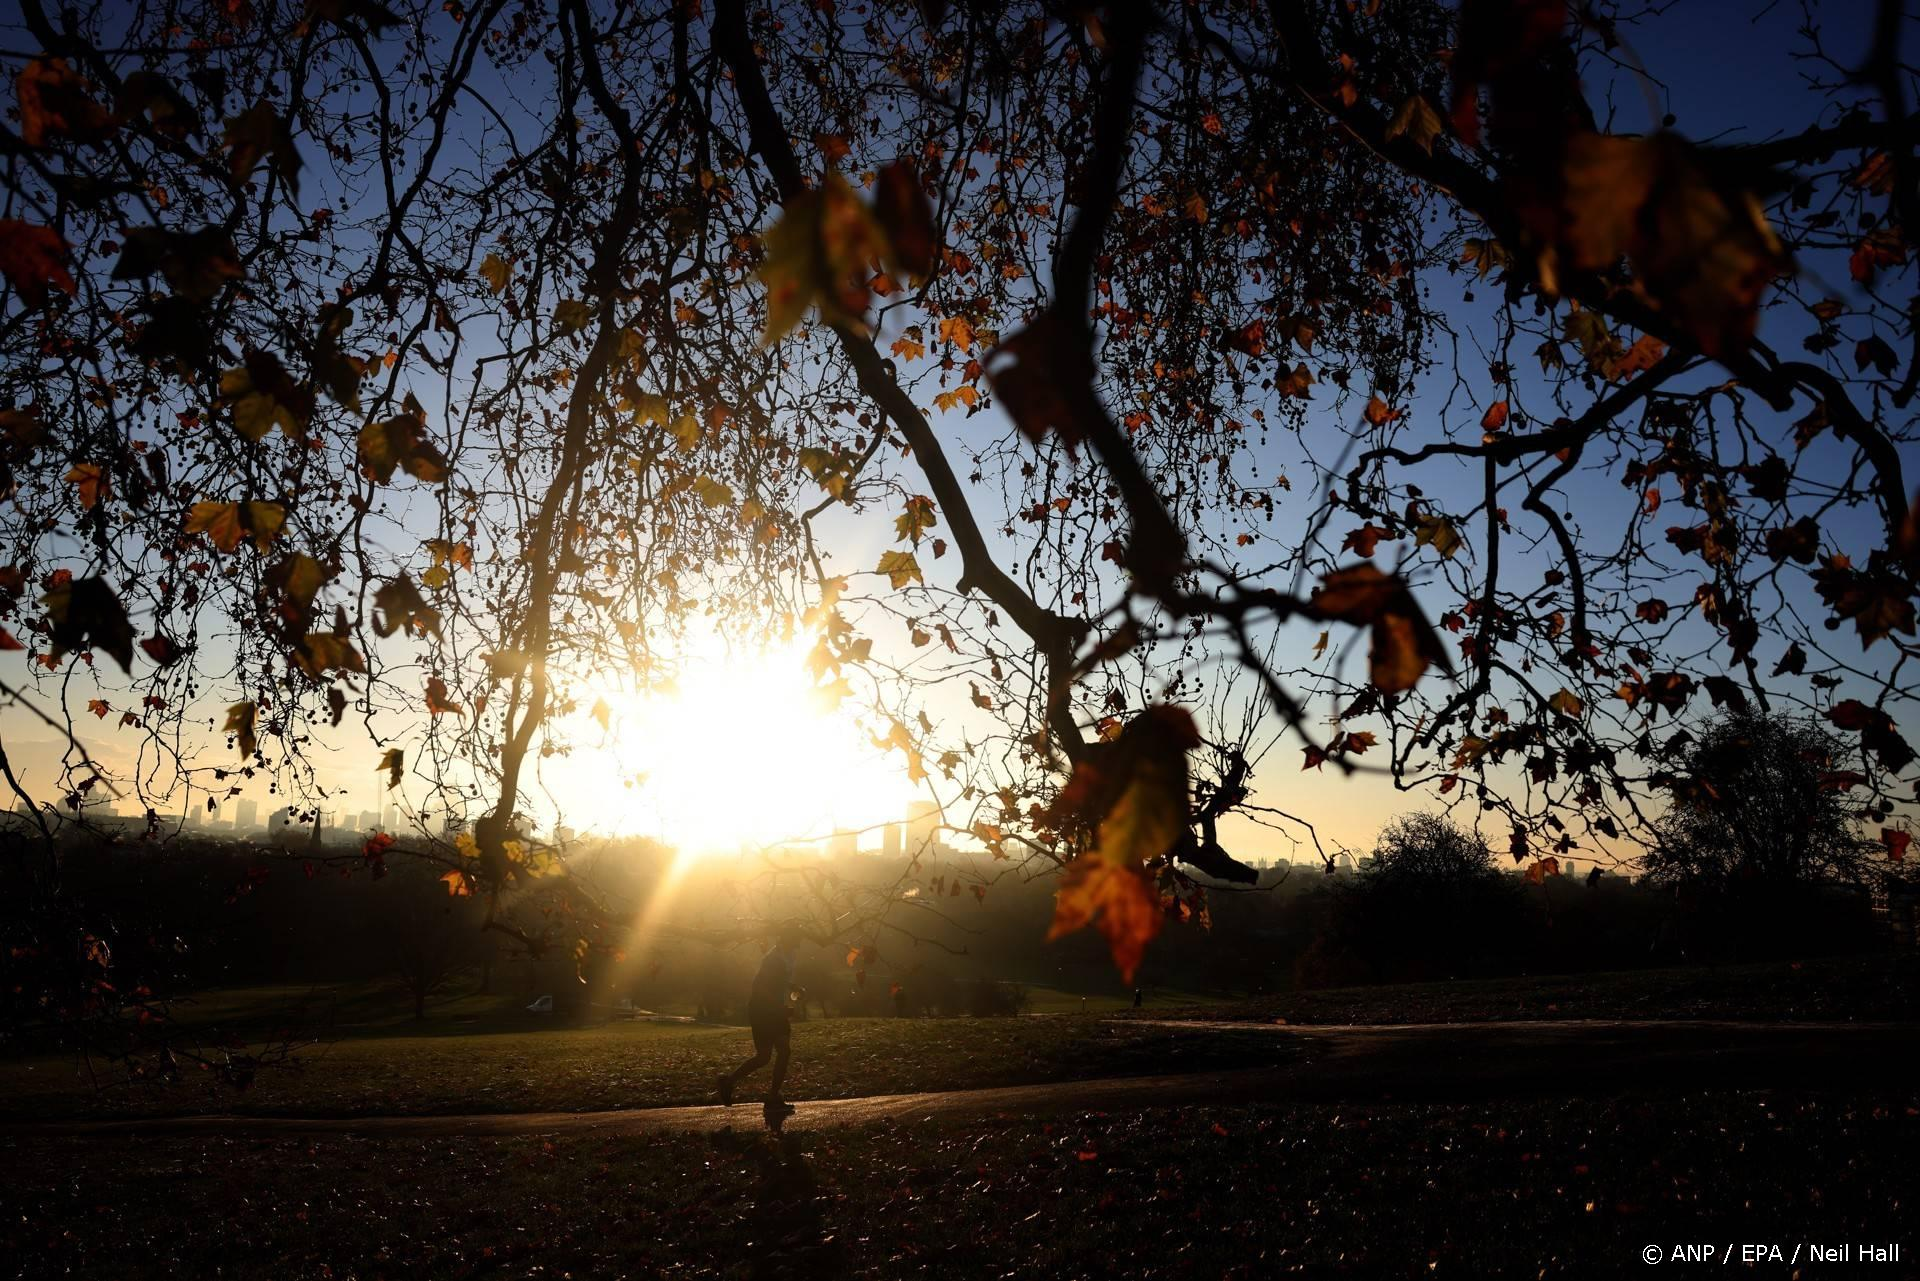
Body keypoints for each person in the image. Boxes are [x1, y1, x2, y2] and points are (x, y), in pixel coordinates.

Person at [716, 923, 804, 1111]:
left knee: (783, 1051)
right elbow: (760, 987)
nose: (800, 941)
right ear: (787, 938)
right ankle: (729, 1082)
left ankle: (772, 1096)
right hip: (761, 1010)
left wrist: (791, 987)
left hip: (774, 1009)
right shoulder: (772, 959)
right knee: (764, 1057)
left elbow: (779, 979)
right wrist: (779, 1008)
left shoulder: (789, 954)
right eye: (797, 937)